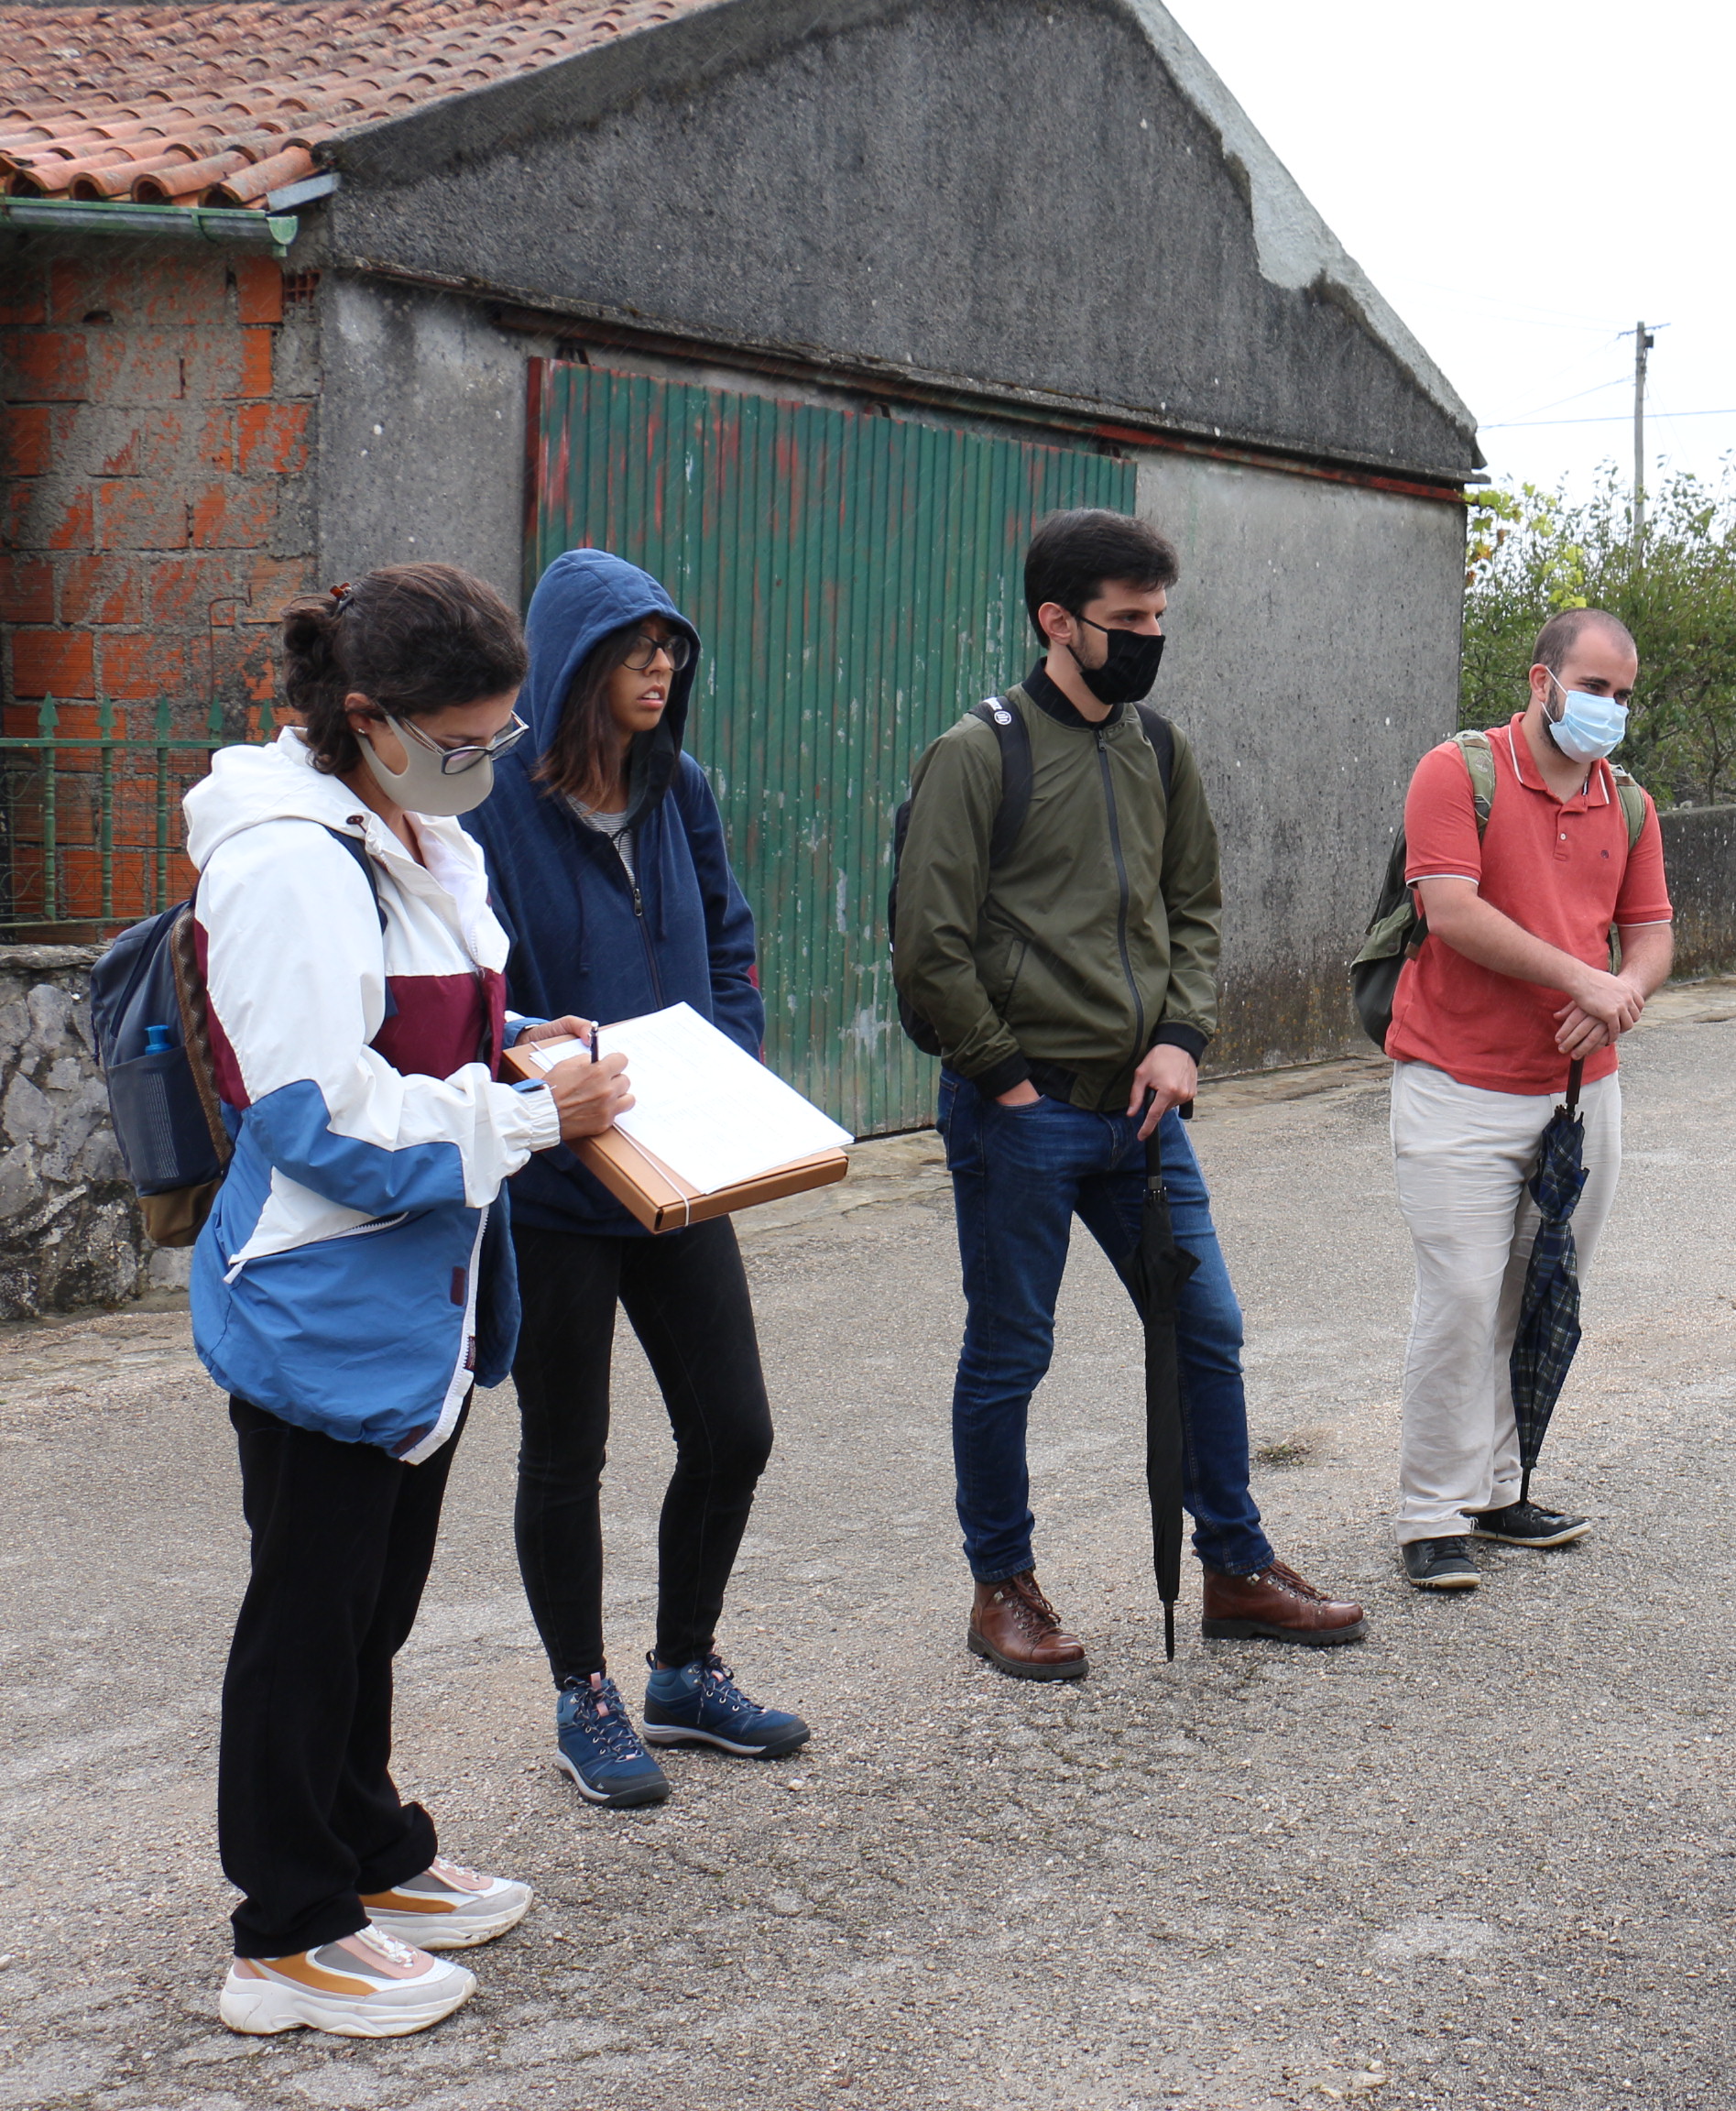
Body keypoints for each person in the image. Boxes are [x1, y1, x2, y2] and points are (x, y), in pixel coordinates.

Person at [187, 564, 631, 2034]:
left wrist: (521, 1039)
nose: (487, 765)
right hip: (327, 1293)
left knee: (371, 1603)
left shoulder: (409, 827)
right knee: (306, 1615)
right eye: (463, 740)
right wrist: (530, 1116)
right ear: (367, 717)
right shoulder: (286, 863)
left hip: (421, 1294)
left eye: (501, 735)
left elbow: (417, 1019)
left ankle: (365, 1845)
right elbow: (314, 1111)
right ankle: (286, 1928)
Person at [891, 509, 1363, 1676]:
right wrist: (1005, 1080)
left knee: (1207, 1331)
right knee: (1012, 1351)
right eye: (1128, 619)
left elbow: (1193, 905)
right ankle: (1002, 1587)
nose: (1150, 638)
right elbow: (929, 944)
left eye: (1160, 616)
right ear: (1058, 622)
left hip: (1144, 1112)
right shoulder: (977, 754)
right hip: (1026, 1113)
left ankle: (1236, 1568)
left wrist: (1184, 1038)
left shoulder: (1159, 747)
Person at [467, 549, 807, 1811]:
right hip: (557, 1182)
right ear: (575, 663)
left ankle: (682, 1670)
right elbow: (481, 995)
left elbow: (728, 933)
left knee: (735, 1429)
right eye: (636, 649)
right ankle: (585, 1695)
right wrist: (544, 1078)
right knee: (568, 1451)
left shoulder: (680, 787)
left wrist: (732, 1057)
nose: (661, 669)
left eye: (672, 650)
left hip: (678, 1169)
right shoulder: (493, 806)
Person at [1381, 607, 1674, 1589]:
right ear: (1542, 681)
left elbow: (1652, 933)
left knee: (1541, 1290)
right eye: (1593, 688)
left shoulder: (1628, 804)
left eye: (1623, 695)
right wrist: (1585, 979)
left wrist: (1621, 993)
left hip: (1580, 1096)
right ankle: (1431, 1512)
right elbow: (1450, 911)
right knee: (1461, 1297)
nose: (1609, 709)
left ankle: (1502, 1489)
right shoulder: (1455, 773)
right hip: (1455, 1084)